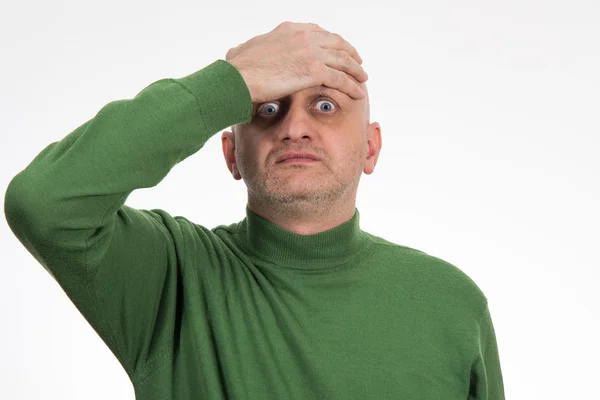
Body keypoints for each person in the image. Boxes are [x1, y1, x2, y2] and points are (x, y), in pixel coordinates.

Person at [4, 21, 505, 399]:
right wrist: (229, 82)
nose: (294, 129)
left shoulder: (451, 304)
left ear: (371, 147)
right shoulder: (171, 276)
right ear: (230, 155)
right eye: (267, 109)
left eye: (325, 106)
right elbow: (43, 202)